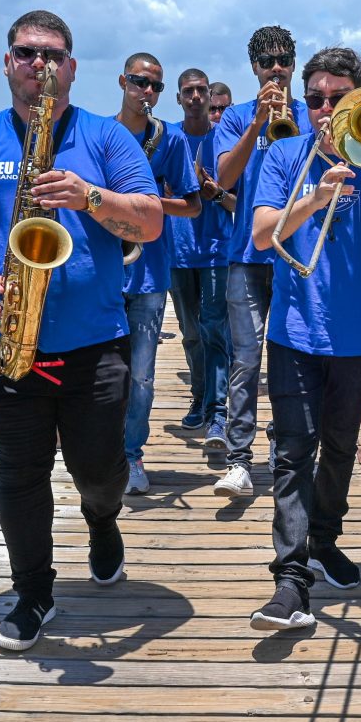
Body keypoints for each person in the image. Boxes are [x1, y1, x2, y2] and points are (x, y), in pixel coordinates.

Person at [0, 9, 162, 651]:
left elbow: (150, 222)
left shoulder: (110, 141)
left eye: (53, 55)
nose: (40, 66)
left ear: (72, 69)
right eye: (28, 53)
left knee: (99, 471)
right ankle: (33, 593)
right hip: (6, 340)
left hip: (94, 343)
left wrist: (89, 197)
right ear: (8, 62)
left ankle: (102, 519)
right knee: (20, 474)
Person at [248, 46, 361, 631]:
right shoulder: (284, 154)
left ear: (358, 100)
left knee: (342, 448)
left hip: (356, 337)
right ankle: (291, 576)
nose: (324, 110)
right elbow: (259, 235)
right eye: (315, 100)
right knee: (293, 451)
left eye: (337, 99)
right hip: (294, 331)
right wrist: (315, 198)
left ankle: (324, 539)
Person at [212, 26, 308, 499]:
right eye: (267, 61)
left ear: (293, 63)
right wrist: (257, 125)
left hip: (296, 255)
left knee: (290, 361)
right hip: (247, 257)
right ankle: (238, 460)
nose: (276, 67)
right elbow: (224, 177)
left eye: (284, 59)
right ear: (253, 67)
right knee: (245, 361)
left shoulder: (313, 114)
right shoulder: (234, 117)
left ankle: (283, 447)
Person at [116, 52, 199, 496]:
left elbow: (193, 204)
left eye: (154, 86)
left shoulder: (170, 140)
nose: (146, 91)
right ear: (122, 81)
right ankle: (101, 452)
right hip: (103, 273)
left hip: (147, 273)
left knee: (143, 375)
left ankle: (132, 454)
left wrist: (148, 205)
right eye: (138, 81)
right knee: (100, 373)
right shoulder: (99, 132)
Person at [167, 67, 234, 443]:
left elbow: (240, 204)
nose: (195, 97)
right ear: (179, 98)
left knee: (214, 330)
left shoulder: (225, 141)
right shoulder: (168, 139)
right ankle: (199, 397)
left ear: (210, 97)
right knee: (191, 334)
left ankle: (217, 409)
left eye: (201, 91)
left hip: (216, 252)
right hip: (177, 252)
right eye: (188, 91)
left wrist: (216, 193)